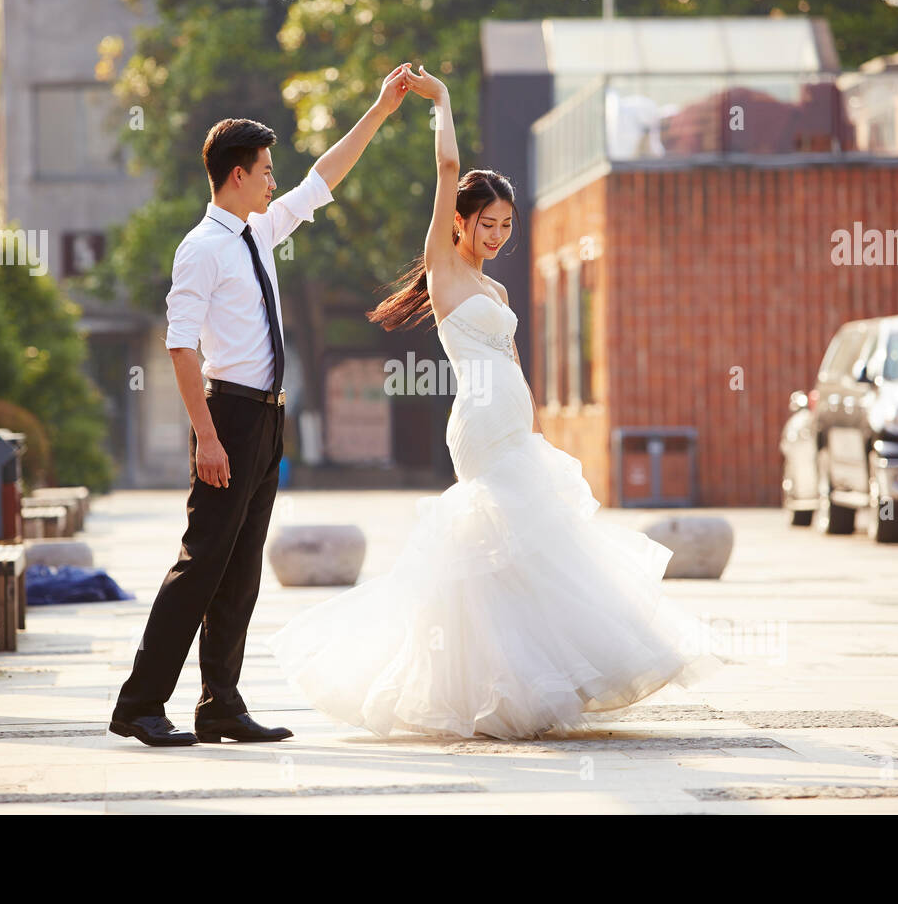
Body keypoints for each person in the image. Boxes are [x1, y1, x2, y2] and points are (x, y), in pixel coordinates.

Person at [267, 66, 723, 740]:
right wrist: (441, 100)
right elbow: (448, 161)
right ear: (460, 222)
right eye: (488, 222)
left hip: (513, 431)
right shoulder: (446, 268)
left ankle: (528, 677)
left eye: (507, 225)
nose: (498, 234)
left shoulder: (498, 292)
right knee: (500, 544)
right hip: (481, 431)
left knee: (528, 553)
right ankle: (495, 686)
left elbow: (512, 365)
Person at [110, 65, 414, 747]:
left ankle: (220, 703)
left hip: (267, 418)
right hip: (230, 417)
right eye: (267, 170)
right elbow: (180, 348)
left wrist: (380, 110)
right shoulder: (202, 248)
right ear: (237, 174)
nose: (276, 179)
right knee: (200, 564)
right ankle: (139, 703)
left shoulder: (257, 231)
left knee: (240, 571)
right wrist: (207, 436)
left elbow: (323, 180)